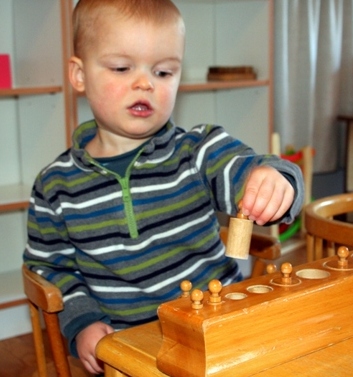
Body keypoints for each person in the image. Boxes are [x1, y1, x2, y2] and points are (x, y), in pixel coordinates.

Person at [22, 0, 304, 374]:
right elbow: (50, 269)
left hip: (215, 329)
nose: (145, 83)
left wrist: (272, 181)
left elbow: (247, 167)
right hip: (127, 350)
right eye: (122, 68)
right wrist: (82, 324)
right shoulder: (53, 187)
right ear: (79, 75)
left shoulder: (196, 150)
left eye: (164, 72)